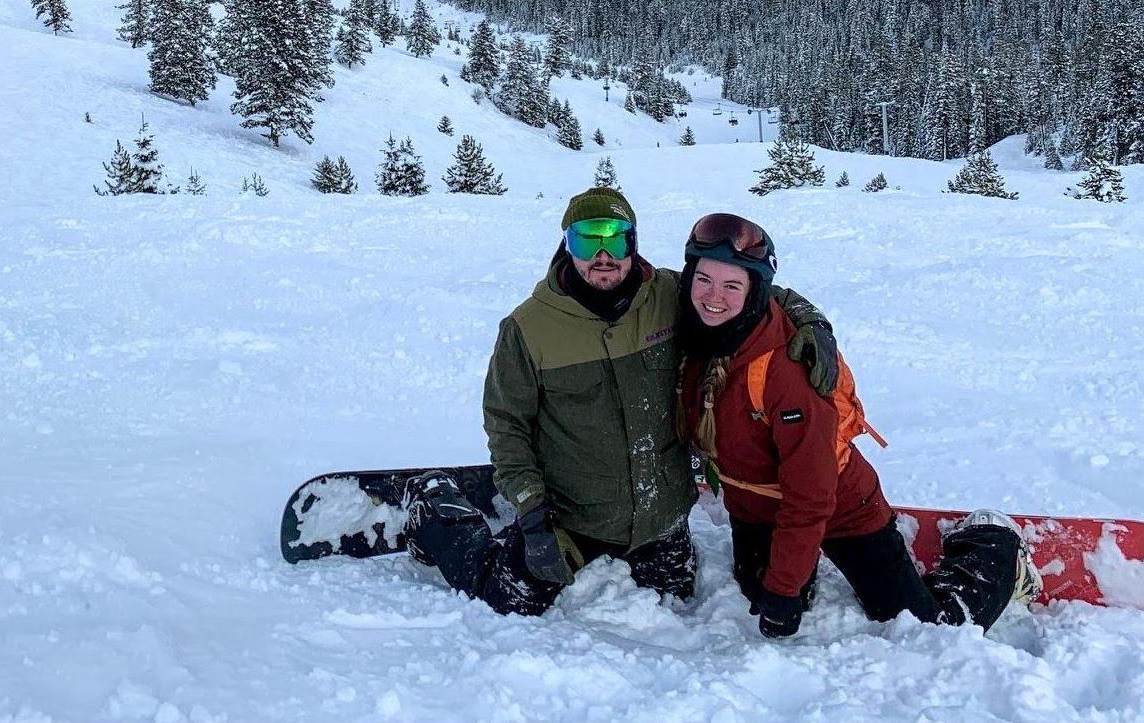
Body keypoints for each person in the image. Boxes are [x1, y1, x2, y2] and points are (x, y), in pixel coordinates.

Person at [400, 186, 841, 616]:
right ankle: (434, 511)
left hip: (658, 512)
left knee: (676, 594)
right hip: (572, 513)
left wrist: (812, 321)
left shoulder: (668, 294)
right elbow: (506, 425)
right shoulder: (528, 328)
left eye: (616, 237)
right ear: (567, 245)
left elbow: (747, 290)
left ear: (633, 242)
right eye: (587, 238)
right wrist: (533, 513)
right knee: (510, 598)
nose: (603, 254)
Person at [677, 210, 1040, 637]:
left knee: (921, 625)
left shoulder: (786, 373)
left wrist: (787, 588)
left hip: (839, 506)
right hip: (757, 508)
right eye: (704, 280)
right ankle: (801, 559)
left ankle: (996, 549)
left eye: (731, 285)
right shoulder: (694, 331)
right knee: (759, 591)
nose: (713, 296)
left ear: (756, 290)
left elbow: (811, 496)